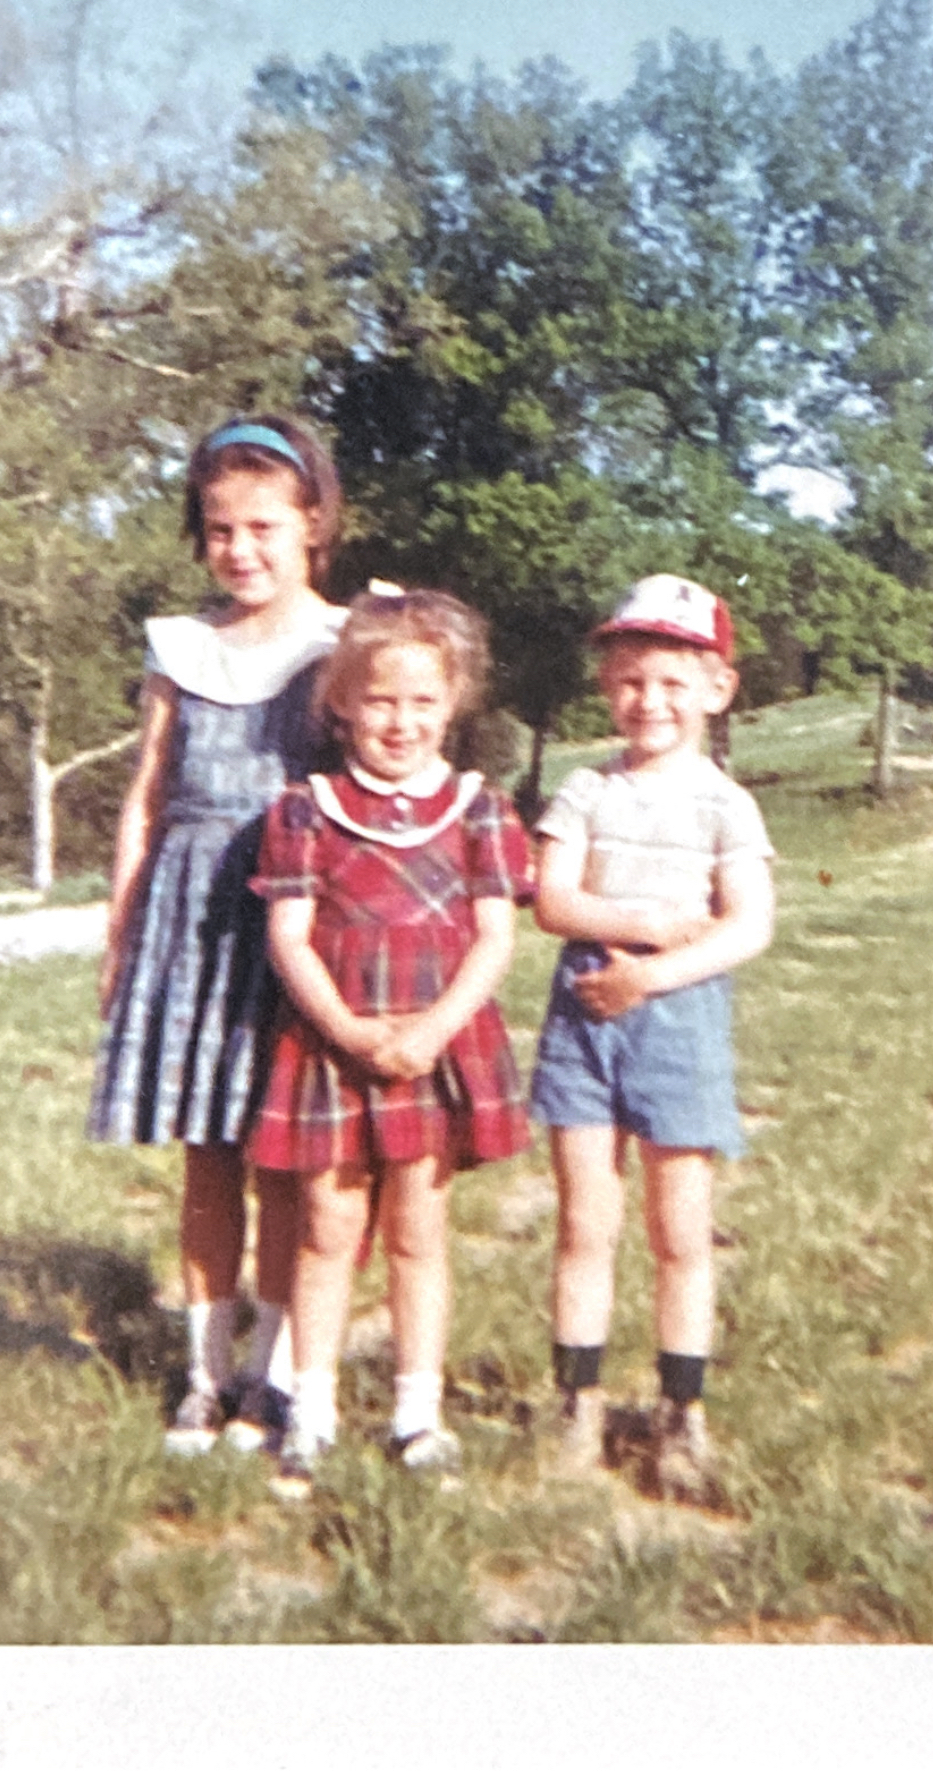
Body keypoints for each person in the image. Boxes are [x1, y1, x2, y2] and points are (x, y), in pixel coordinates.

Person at [87, 416, 346, 1456]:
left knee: (281, 1152)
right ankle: (204, 1369)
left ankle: (273, 1371)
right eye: (219, 529)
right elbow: (145, 797)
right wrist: (120, 927)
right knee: (207, 1153)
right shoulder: (181, 649)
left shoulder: (344, 643)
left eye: (264, 527)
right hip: (190, 914)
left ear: (313, 524)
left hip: (294, 917)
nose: (241, 549)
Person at [247, 589, 534, 1488]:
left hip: (438, 1046)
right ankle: (312, 1410)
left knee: (419, 1231)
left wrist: (432, 1032)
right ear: (340, 704)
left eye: (421, 702)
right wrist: (348, 1029)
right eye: (379, 700)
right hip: (333, 1048)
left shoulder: (480, 809)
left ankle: (418, 1415)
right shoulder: (306, 809)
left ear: (453, 704)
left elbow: (495, 936)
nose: (400, 722)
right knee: (327, 1230)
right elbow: (289, 936)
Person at [529, 575, 776, 1502]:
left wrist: (653, 972)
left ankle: (682, 1414)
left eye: (675, 681)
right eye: (632, 681)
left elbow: (748, 925)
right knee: (586, 1222)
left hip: (678, 1016)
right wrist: (635, 926)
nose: (651, 702)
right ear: (607, 686)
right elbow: (554, 899)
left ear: (719, 688)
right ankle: (578, 1405)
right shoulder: (587, 788)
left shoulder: (725, 806)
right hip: (587, 1011)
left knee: (681, 1233)